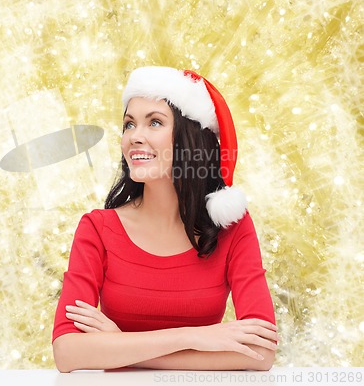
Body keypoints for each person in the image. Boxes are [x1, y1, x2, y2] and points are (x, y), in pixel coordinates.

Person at [52, 66, 278, 372]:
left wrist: (122, 345)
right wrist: (194, 338)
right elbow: (67, 352)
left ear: (191, 139)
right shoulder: (97, 229)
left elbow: (261, 352)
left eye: (154, 122)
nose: (134, 137)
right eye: (129, 125)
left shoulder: (232, 228)